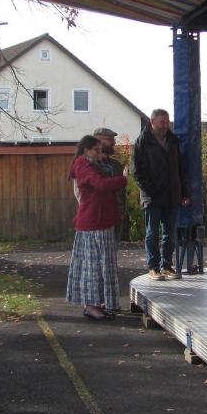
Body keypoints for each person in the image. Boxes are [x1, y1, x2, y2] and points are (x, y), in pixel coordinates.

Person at [66, 135, 128, 320]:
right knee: (93, 266)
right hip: (92, 223)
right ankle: (91, 306)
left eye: (101, 150)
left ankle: (100, 303)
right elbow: (100, 185)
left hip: (103, 221)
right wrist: (123, 180)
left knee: (104, 266)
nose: (100, 154)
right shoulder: (82, 165)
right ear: (86, 150)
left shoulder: (96, 165)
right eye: (97, 150)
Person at [132, 109, 190, 281]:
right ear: (152, 122)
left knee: (170, 234)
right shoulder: (142, 142)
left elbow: (181, 168)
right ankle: (153, 267)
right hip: (152, 196)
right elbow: (137, 172)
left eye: (167, 121)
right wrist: (150, 191)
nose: (165, 125)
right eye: (162, 122)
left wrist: (184, 192)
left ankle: (167, 266)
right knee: (152, 233)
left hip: (172, 195)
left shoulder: (173, 140)